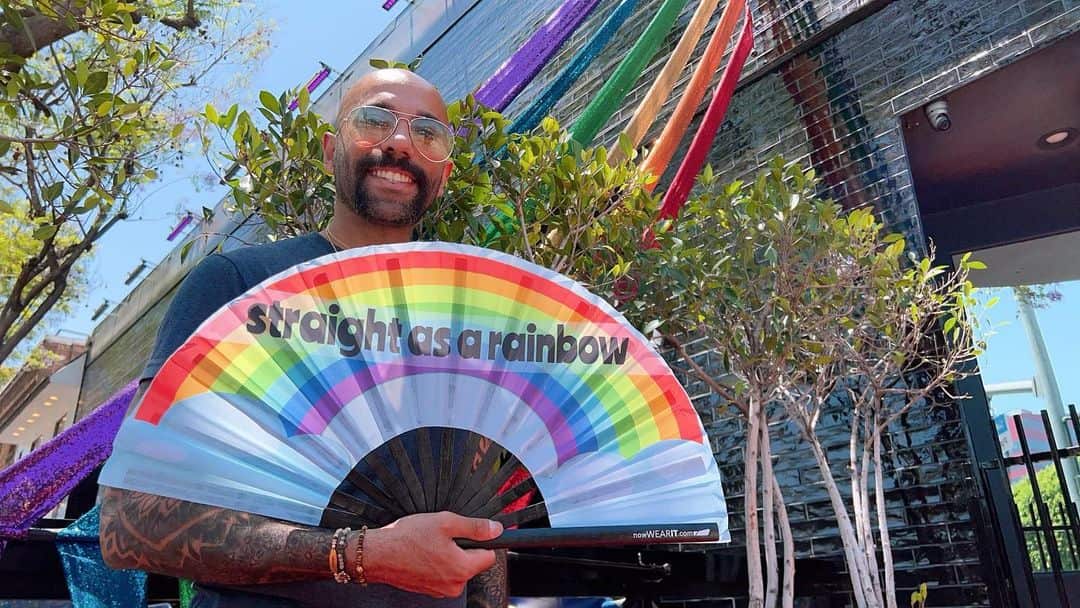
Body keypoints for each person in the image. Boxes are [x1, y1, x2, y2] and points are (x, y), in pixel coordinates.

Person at [100, 69, 508, 608]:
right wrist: (359, 555)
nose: (400, 142)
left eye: (427, 132)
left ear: (444, 173)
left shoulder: (470, 324)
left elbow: (483, 531)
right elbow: (129, 522)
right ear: (329, 149)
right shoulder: (241, 286)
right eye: (375, 120)